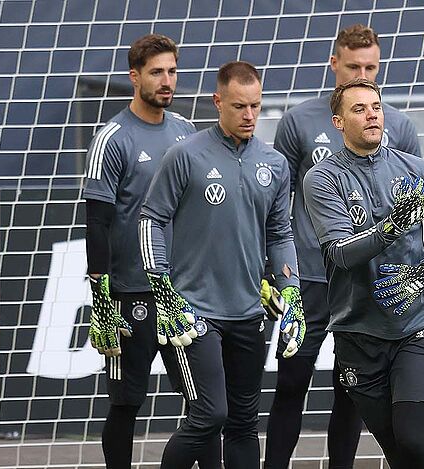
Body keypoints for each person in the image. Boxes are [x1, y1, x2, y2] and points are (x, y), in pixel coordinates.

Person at [265, 24, 421, 469]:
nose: (363, 75)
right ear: (334, 64)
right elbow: (277, 202)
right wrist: (275, 268)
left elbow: (417, 204)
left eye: (371, 67)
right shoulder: (298, 121)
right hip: (311, 279)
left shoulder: (398, 125)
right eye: (353, 66)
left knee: (352, 392)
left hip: (365, 284)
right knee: (291, 383)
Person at [139, 61, 306, 469]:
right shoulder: (185, 155)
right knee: (209, 414)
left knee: (244, 423)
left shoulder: (275, 164)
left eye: (255, 106)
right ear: (218, 102)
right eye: (238, 106)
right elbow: (151, 219)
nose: (249, 115)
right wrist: (162, 287)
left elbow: (280, 234)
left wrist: (291, 291)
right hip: (194, 312)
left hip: (248, 312)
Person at [302, 78, 424, 468]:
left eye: (375, 107)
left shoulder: (418, 171)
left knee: (414, 441)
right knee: (398, 452)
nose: (371, 115)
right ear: (339, 123)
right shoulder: (322, 179)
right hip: (358, 336)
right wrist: (390, 227)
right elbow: (340, 253)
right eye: (359, 109)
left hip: (415, 328)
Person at [82, 33, 221, 469]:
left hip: (183, 295)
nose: (166, 81)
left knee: (205, 405)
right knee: (126, 402)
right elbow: (97, 222)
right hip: (131, 294)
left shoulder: (185, 131)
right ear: (135, 76)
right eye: (157, 72)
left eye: (172, 71)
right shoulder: (113, 138)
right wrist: (101, 297)